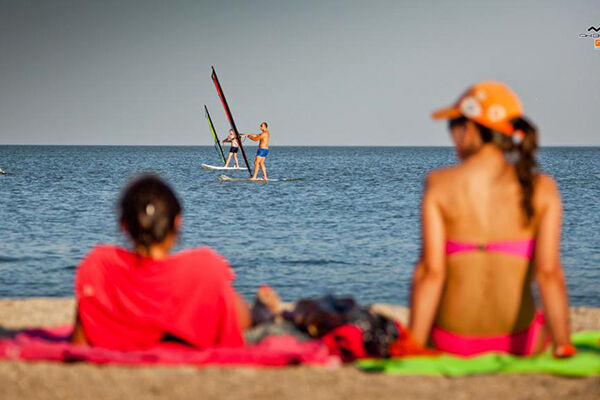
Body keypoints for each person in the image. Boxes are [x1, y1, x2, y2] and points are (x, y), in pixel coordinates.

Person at [409, 81, 575, 358]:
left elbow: (430, 273)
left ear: (470, 129)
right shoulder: (542, 187)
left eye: (453, 126)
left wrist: (413, 346)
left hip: (451, 342)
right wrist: (563, 345)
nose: (452, 135)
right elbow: (549, 274)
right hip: (522, 343)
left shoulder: (439, 184)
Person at [70, 174, 279, 350]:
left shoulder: (100, 266)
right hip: (210, 317)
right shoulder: (203, 266)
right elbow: (236, 325)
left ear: (124, 225)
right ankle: (263, 308)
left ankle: (262, 309)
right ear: (177, 222)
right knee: (255, 313)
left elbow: (79, 342)